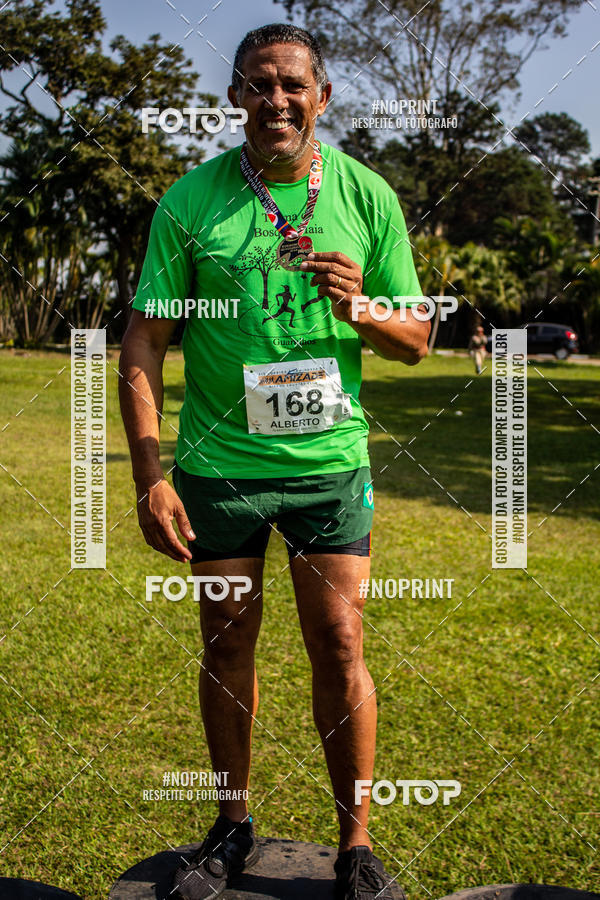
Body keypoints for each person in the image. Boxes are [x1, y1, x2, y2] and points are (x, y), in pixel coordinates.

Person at [119, 23, 430, 900]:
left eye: (294, 85)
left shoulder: (367, 197)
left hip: (329, 466)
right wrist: (150, 472)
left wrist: (362, 304)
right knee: (227, 643)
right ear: (236, 98)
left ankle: (357, 844)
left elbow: (416, 338)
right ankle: (231, 824)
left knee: (338, 641)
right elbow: (143, 340)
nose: (277, 101)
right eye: (259, 85)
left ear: (321, 98)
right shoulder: (191, 202)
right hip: (219, 468)